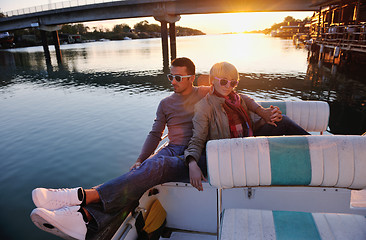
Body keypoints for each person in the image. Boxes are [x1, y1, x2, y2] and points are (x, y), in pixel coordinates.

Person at [29, 59, 296, 240]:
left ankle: (82, 202)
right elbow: (155, 134)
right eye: (170, 76)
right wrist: (140, 158)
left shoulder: (207, 93)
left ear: (192, 78)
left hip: (198, 150)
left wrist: (263, 111)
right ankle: (84, 216)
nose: (172, 80)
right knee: (145, 170)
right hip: (173, 150)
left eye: (178, 77)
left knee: (155, 168)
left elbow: (234, 92)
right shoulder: (165, 103)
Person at [184, 61, 309, 190]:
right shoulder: (204, 107)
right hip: (230, 153)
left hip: (248, 144)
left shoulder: (238, 100)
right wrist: (192, 163)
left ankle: (318, 146)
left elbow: (250, 124)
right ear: (212, 81)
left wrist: (265, 118)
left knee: (281, 121)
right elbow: (197, 140)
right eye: (223, 81)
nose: (228, 86)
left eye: (232, 82)